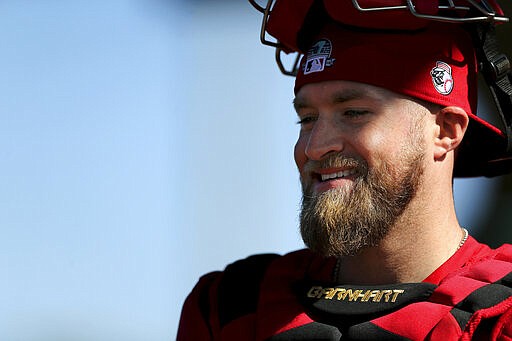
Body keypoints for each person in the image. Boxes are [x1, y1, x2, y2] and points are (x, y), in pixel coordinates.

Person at [177, 1, 512, 340]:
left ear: (445, 131)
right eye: (307, 119)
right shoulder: (232, 307)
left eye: (353, 113)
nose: (314, 146)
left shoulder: (502, 316)